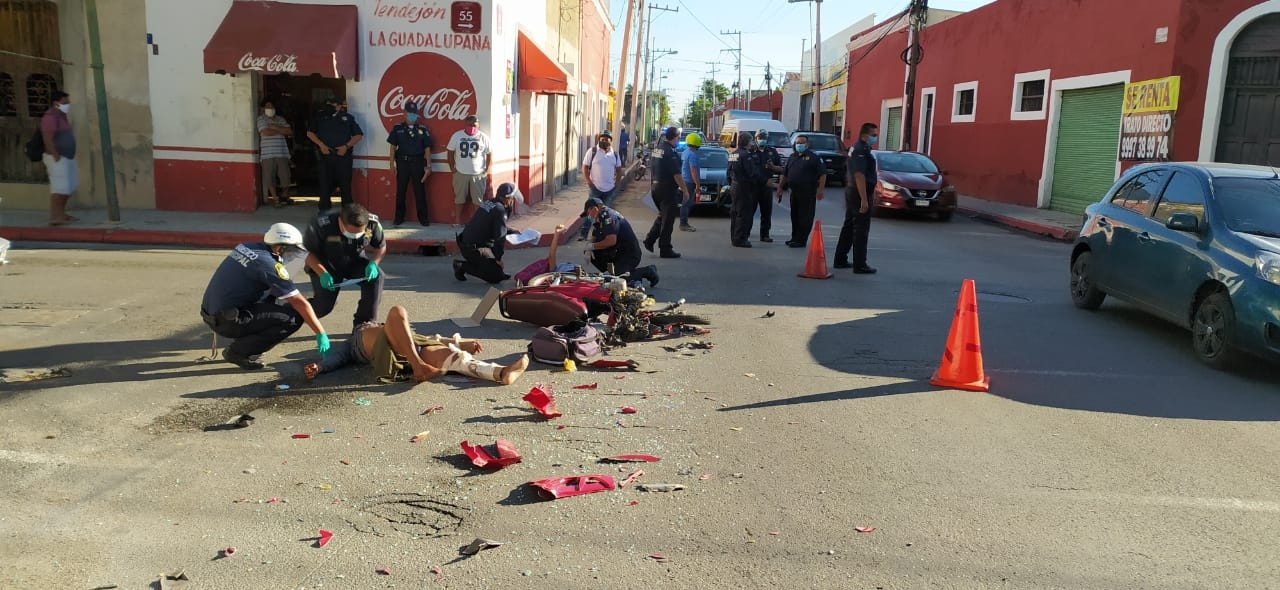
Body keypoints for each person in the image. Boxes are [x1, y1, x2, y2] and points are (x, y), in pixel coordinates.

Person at [200, 223, 330, 370]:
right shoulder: (269, 266)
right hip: (226, 321)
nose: (295, 255)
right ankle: (238, 351)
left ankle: (245, 340)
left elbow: (303, 254)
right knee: (293, 318)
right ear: (280, 248)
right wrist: (321, 334)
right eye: (292, 250)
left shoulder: (248, 247)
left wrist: (322, 272)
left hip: (212, 312)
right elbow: (299, 302)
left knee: (274, 298)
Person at [303, 306, 530, 385]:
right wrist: (322, 366)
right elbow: (339, 357)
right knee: (398, 312)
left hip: (412, 351)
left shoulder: (394, 328)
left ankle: (500, 373)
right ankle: (419, 366)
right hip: (390, 357)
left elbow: (432, 337)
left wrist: (459, 343)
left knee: (455, 357)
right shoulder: (354, 338)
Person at [302, 203, 387, 327]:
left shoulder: (372, 223)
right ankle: (290, 313)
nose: (355, 236)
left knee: (377, 277)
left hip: (354, 260)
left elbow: (381, 246)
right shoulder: (321, 223)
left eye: (359, 233)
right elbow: (306, 252)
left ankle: (363, 324)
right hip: (325, 264)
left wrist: (374, 263)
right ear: (340, 221)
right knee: (323, 306)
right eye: (351, 232)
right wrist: (322, 273)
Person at [833, 122, 879, 274]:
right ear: (864, 135)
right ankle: (860, 264)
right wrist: (864, 199)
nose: (875, 138)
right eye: (873, 135)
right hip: (858, 192)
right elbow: (859, 175)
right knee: (860, 229)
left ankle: (840, 259)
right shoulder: (859, 149)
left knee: (849, 226)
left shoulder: (861, 148)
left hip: (853, 192)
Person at [584, 197, 659, 288]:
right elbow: (595, 234)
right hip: (619, 252)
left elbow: (611, 241)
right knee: (591, 251)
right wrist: (589, 247)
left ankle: (648, 271)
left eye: (589, 214)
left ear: (594, 209)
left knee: (620, 279)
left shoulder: (608, 217)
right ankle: (618, 272)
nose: (589, 217)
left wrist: (593, 246)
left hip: (630, 254)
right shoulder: (600, 217)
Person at [454, 182, 520, 283]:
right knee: (495, 277)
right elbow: (499, 237)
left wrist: (511, 231)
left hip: (468, 242)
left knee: (496, 269)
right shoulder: (500, 210)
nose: (513, 201)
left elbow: (495, 226)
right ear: (507, 198)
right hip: (472, 248)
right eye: (512, 198)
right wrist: (498, 259)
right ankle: (462, 266)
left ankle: (489, 266)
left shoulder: (490, 203)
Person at [306, 97, 364, 212]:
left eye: (332, 105)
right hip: (326, 156)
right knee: (324, 186)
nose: (329, 107)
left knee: (345, 187)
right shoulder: (320, 117)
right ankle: (324, 213)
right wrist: (321, 145)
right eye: (327, 104)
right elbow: (310, 133)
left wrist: (346, 146)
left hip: (343, 157)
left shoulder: (347, 118)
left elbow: (358, 135)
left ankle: (347, 214)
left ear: (338, 106)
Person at [643, 127, 691, 259]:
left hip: (656, 187)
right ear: (675, 137)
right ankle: (665, 248)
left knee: (662, 217)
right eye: (678, 137)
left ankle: (650, 240)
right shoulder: (670, 152)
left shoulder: (658, 149)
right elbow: (676, 175)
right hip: (667, 189)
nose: (678, 140)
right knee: (668, 220)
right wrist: (685, 190)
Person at [387, 101, 434, 226]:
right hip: (402, 163)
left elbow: (427, 149)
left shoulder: (422, 130)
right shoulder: (398, 128)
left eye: (414, 113)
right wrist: (391, 165)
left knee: (420, 192)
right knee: (401, 191)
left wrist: (428, 166)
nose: (411, 115)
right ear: (404, 113)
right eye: (409, 113)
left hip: (418, 163)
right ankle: (398, 217)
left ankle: (423, 218)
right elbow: (392, 147)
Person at [776, 135, 827, 248]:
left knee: (805, 216)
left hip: (807, 192)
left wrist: (820, 190)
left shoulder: (813, 157)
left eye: (801, 143)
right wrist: (780, 187)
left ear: (807, 144)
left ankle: (801, 240)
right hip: (794, 191)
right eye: (797, 143)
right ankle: (794, 237)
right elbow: (785, 173)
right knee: (795, 215)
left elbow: (823, 174)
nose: (799, 145)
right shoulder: (792, 157)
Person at [447, 114, 493, 227]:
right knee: (459, 199)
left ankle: (477, 224)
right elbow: (450, 152)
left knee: (478, 201)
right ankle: (457, 222)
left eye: (474, 124)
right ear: (465, 124)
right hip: (460, 173)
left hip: (478, 174)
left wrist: (486, 170)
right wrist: (452, 168)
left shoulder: (483, 137)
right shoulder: (457, 136)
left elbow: (489, 154)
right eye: (469, 124)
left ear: (478, 125)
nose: (472, 127)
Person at [40, 90, 77, 226]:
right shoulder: (50, 118)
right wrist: (56, 155)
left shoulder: (62, 116)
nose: (68, 105)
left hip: (67, 157)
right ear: (56, 103)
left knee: (67, 187)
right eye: (65, 103)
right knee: (59, 188)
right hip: (58, 158)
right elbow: (48, 138)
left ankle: (62, 214)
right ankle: (55, 216)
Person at [578, 130, 623, 240]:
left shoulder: (615, 154)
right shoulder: (592, 151)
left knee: (605, 214)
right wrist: (589, 181)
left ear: (611, 141)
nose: (604, 141)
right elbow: (584, 167)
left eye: (607, 139)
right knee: (591, 212)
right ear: (599, 140)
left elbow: (619, 170)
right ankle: (583, 234)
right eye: (602, 139)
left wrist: (616, 184)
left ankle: (602, 234)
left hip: (609, 190)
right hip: (595, 189)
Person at [729, 131, 771, 248]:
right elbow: (752, 173)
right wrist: (765, 181)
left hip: (734, 185)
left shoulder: (734, 153)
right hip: (743, 187)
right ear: (747, 142)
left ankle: (734, 236)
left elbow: (729, 172)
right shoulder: (745, 155)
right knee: (743, 213)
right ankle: (740, 239)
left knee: (735, 212)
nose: (752, 143)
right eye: (751, 140)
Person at [257, 98, 294, 208]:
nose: (270, 109)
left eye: (272, 106)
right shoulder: (261, 119)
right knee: (269, 177)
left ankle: (284, 195)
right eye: (268, 107)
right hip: (267, 154)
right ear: (263, 108)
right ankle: (275, 199)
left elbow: (290, 131)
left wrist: (275, 127)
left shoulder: (280, 119)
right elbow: (265, 132)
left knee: (286, 176)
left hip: (281, 153)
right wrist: (281, 130)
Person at [755, 129, 785, 242]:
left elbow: (781, 169)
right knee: (748, 212)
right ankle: (745, 233)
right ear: (756, 139)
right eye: (760, 137)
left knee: (766, 212)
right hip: (753, 187)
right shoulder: (752, 151)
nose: (762, 140)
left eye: (764, 138)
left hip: (767, 186)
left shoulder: (772, 151)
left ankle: (765, 234)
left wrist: (773, 167)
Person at [678, 133, 702, 232]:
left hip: (684, 180)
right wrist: (697, 184)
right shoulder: (692, 155)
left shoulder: (685, 152)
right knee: (687, 203)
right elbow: (693, 170)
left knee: (686, 202)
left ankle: (684, 222)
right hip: (689, 181)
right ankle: (683, 224)